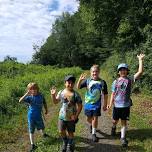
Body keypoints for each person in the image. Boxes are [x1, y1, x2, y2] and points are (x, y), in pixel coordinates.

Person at [107, 53, 145, 147]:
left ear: (127, 71)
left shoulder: (130, 79)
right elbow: (113, 93)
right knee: (115, 120)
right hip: (117, 106)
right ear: (118, 72)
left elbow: (140, 72)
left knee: (124, 121)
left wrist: (140, 60)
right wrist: (110, 104)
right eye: (121, 70)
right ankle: (113, 127)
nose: (123, 71)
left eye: (124, 70)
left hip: (126, 105)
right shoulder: (115, 82)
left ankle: (123, 138)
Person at [50, 75, 82, 152]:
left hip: (71, 118)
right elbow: (55, 102)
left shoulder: (76, 94)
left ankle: (69, 144)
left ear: (74, 84)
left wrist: (76, 116)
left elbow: (80, 106)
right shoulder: (61, 92)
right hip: (62, 117)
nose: (70, 85)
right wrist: (53, 95)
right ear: (65, 83)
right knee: (61, 131)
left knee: (70, 132)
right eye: (68, 83)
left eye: (72, 83)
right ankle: (65, 141)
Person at [77, 65, 108, 142]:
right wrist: (80, 80)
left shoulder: (102, 82)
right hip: (88, 103)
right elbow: (78, 87)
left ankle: (94, 134)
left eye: (96, 71)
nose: (95, 73)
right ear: (91, 72)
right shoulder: (87, 81)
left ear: (99, 72)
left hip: (97, 104)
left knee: (95, 118)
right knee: (88, 118)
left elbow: (105, 94)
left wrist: (105, 104)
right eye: (93, 72)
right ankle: (92, 125)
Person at [19, 82, 48, 152]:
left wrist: (46, 109)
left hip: (39, 116)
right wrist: (26, 93)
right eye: (31, 89)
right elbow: (20, 101)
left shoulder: (41, 95)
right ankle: (33, 144)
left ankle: (43, 134)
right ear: (29, 90)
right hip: (31, 116)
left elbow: (44, 102)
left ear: (37, 89)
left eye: (34, 89)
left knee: (41, 126)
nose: (33, 90)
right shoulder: (29, 97)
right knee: (31, 130)